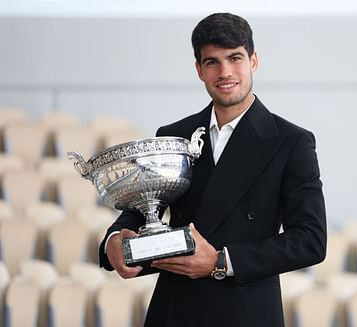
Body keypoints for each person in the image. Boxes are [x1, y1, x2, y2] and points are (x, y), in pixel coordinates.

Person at [99, 12, 327, 327]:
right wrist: (113, 240)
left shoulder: (291, 141)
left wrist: (220, 261)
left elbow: (310, 241)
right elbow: (145, 208)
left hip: (246, 311)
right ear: (199, 70)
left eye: (235, 58)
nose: (225, 72)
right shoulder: (173, 134)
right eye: (212, 62)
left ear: (254, 61)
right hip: (174, 309)